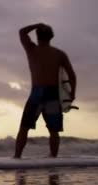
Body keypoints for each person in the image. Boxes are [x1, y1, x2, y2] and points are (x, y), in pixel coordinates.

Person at [14, 23, 77, 158]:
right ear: (51, 36)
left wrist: (37, 24)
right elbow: (71, 75)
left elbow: (22, 32)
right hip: (52, 95)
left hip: (37, 93)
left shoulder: (31, 49)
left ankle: (16, 158)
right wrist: (72, 94)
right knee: (53, 130)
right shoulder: (60, 54)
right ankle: (53, 159)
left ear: (37, 36)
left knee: (24, 128)